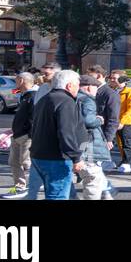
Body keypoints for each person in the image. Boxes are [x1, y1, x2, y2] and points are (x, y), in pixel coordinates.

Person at [28, 69, 86, 201]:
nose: (79, 88)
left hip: (38, 155)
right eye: (78, 84)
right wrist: (76, 157)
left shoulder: (45, 98)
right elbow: (66, 132)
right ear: (69, 85)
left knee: (54, 193)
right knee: (57, 196)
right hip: (56, 157)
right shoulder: (66, 101)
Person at [75, 76, 111, 200]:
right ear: (90, 87)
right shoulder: (87, 100)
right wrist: (99, 120)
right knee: (92, 176)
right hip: (87, 143)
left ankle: (106, 193)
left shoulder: (72, 98)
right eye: (97, 88)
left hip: (75, 142)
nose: (97, 92)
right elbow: (88, 121)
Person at [3, 72, 37, 198]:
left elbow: (34, 118)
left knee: (26, 162)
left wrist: (30, 135)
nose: (15, 83)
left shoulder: (33, 96)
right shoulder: (24, 95)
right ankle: (19, 186)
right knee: (14, 161)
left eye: (16, 80)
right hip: (17, 135)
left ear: (22, 81)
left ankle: (36, 184)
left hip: (26, 136)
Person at [110, 71, 131, 172]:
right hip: (113, 121)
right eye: (111, 78)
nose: (111, 80)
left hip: (126, 121)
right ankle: (120, 161)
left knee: (125, 142)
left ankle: (126, 162)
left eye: (114, 78)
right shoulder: (112, 90)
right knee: (113, 142)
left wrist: (122, 122)